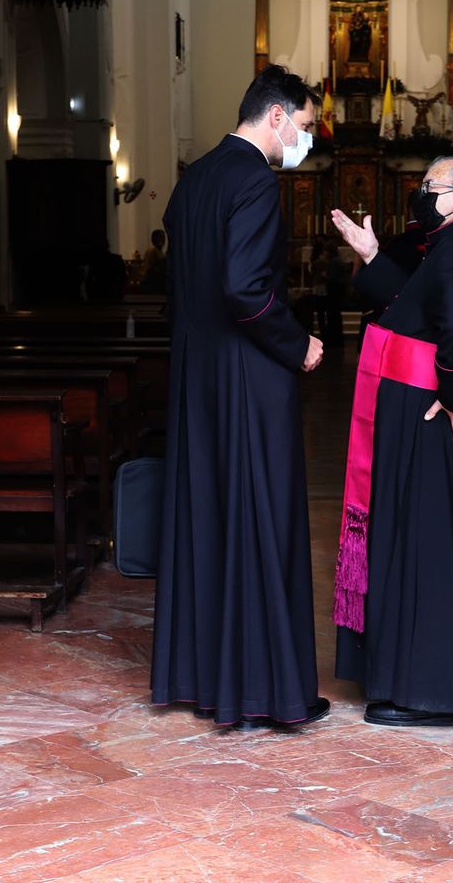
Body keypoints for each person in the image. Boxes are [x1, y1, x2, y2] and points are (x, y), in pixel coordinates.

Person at [150, 64, 329, 731]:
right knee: (261, 516)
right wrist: (298, 344)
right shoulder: (255, 178)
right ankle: (263, 688)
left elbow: (182, 284)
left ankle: (203, 679)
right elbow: (247, 289)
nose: (302, 142)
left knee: (208, 515)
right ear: (276, 115)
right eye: (304, 127)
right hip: (248, 372)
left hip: (197, 371)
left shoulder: (194, 177)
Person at [329, 156, 453, 728]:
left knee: (425, 545)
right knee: (445, 542)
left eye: (429, 188)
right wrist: (371, 257)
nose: (421, 197)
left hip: (430, 415)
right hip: (435, 405)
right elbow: (421, 305)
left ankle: (432, 694)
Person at [321, 238, 348, 359]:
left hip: (334, 294)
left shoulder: (334, 263)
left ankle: (334, 341)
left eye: (326, 251)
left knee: (333, 317)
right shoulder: (336, 261)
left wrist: (325, 276)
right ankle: (336, 341)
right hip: (337, 294)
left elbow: (333, 279)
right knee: (334, 317)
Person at [139, 229, 168, 295]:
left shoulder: (159, 251)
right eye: (160, 237)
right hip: (152, 283)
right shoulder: (152, 251)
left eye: (163, 237)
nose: (163, 240)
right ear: (154, 239)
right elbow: (149, 268)